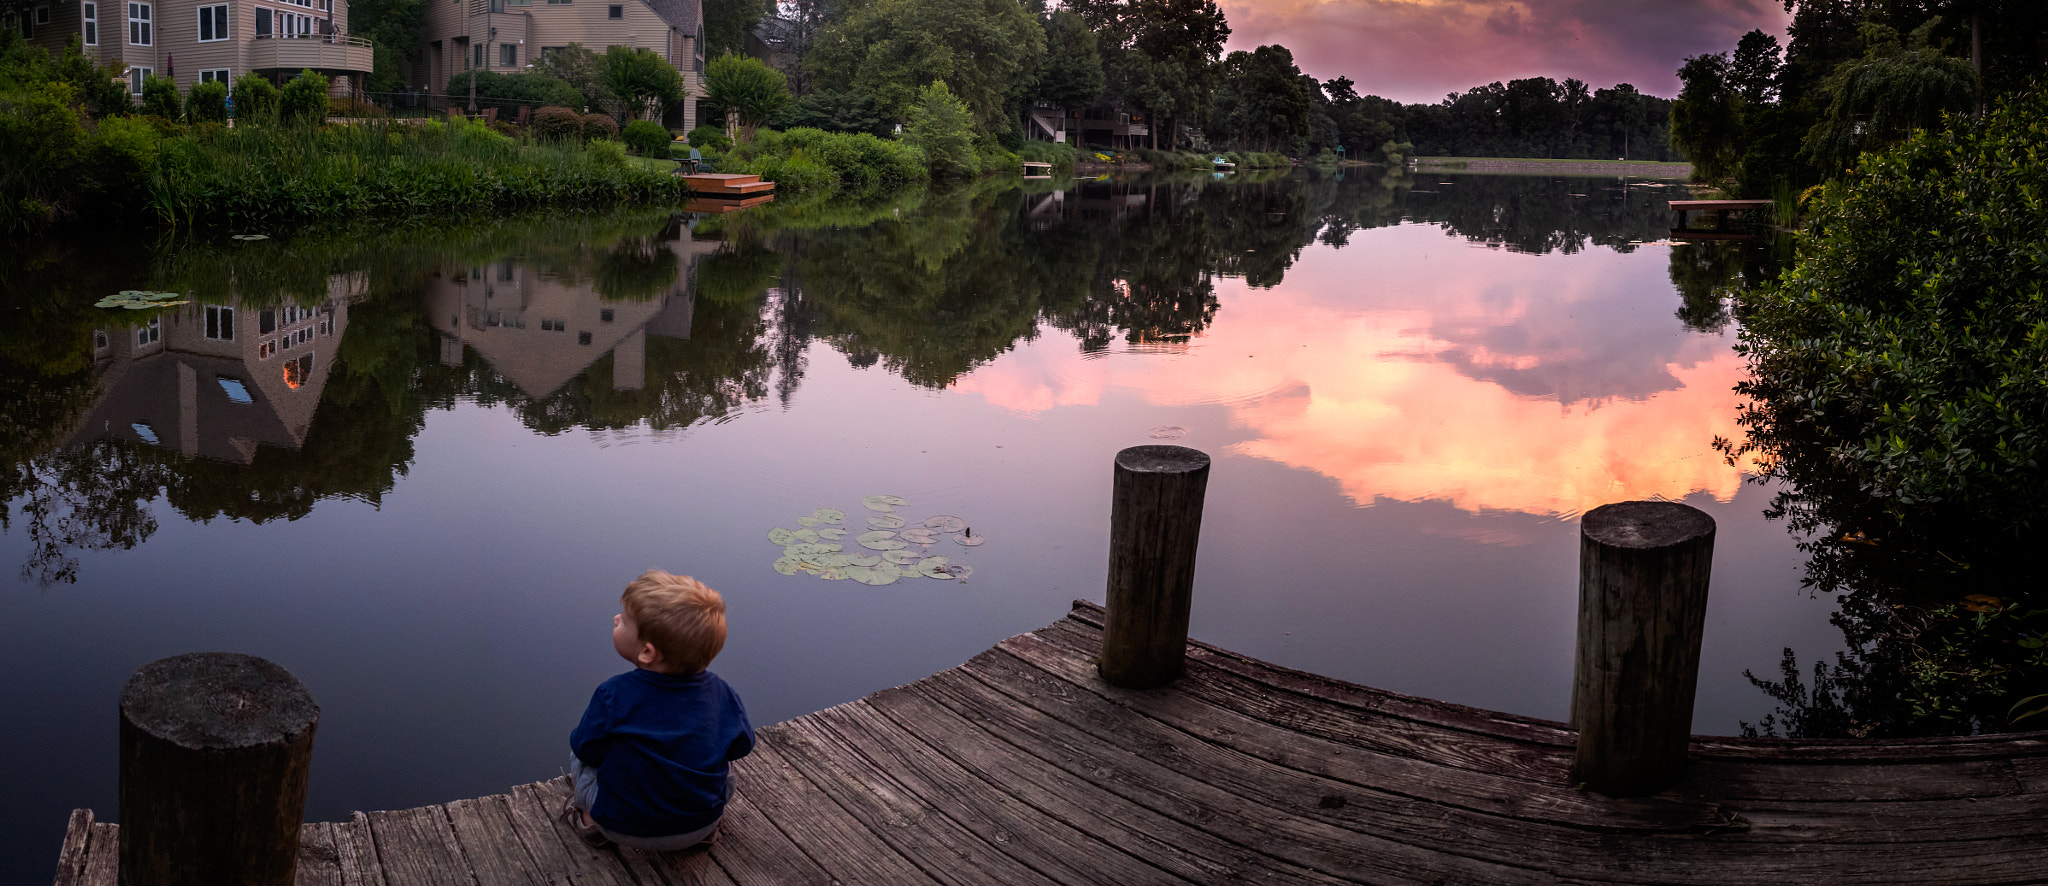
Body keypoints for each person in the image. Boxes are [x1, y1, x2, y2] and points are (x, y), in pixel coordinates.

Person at [565, 570, 754, 850]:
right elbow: (742, 746)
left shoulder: (613, 694)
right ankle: (704, 832)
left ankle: (591, 821)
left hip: (620, 827)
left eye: (625, 621)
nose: (616, 619)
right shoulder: (722, 692)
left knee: (581, 752)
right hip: (699, 824)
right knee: (723, 756)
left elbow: (586, 750)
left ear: (647, 653)